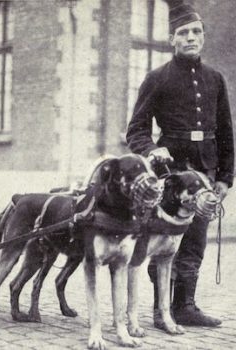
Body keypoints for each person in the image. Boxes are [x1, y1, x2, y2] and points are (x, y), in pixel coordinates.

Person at [126, 3, 234, 328]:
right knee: (164, 238)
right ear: (172, 38)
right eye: (183, 33)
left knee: (196, 237)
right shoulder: (157, 78)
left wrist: (226, 177)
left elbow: (227, 133)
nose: (191, 38)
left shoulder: (215, 79)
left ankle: (185, 305)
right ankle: (163, 310)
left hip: (206, 173)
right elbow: (136, 130)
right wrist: (152, 150)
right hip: (170, 176)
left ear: (203, 36)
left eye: (196, 32)